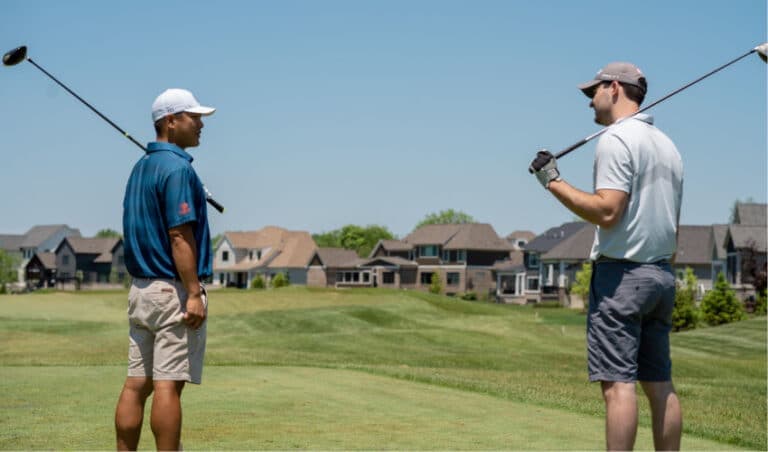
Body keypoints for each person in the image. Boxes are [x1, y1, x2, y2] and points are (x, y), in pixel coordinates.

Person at [530, 63, 684, 451]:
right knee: (660, 384)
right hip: (661, 276)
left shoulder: (616, 140)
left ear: (614, 88)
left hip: (622, 279)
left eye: (593, 92)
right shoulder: (668, 146)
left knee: (618, 387)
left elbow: (607, 210)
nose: (590, 102)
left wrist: (553, 181)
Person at [115, 88, 215, 451]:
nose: (200, 124)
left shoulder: (141, 168)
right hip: (171, 290)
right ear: (171, 122)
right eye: (194, 117)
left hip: (140, 290)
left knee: (136, 384)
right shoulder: (177, 169)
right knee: (168, 385)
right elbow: (179, 236)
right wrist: (193, 293)